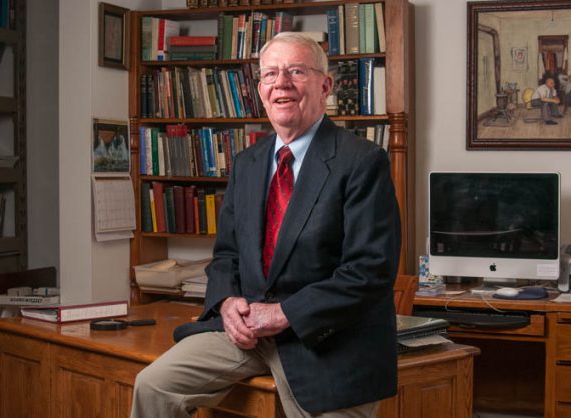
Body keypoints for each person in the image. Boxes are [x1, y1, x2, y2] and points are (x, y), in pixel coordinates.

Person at [130, 32, 402, 418]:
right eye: (271, 74)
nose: (282, 83)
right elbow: (226, 255)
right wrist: (227, 303)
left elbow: (369, 271)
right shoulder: (248, 163)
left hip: (327, 339)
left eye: (295, 71)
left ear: (324, 85)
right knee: (153, 386)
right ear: (260, 89)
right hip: (249, 334)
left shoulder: (362, 162)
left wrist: (281, 314)